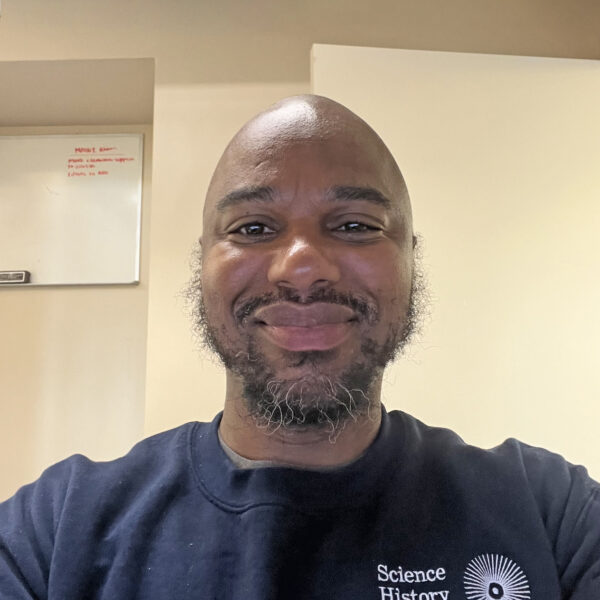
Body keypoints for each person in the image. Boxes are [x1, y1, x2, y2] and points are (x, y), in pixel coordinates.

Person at [1, 95, 598, 599]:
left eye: (355, 225)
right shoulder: (53, 532)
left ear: (412, 259)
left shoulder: (552, 516)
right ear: (203, 262)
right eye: (254, 229)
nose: (304, 268)